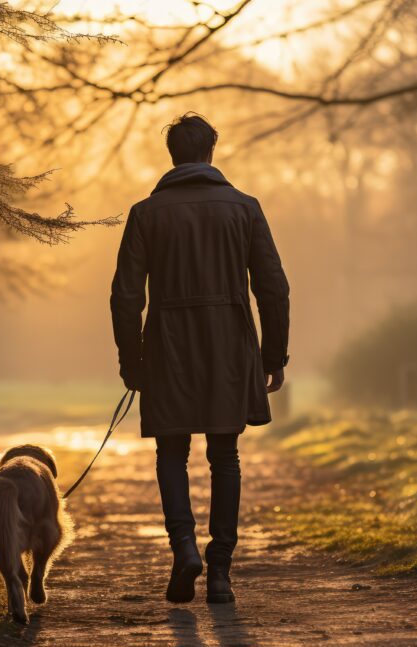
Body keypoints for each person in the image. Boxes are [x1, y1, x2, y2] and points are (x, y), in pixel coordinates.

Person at [110, 112, 290, 604]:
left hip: (167, 345)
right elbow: (273, 288)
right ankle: (220, 572)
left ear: (172, 155)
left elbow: (126, 296)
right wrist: (274, 355)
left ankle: (184, 547)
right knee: (224, 456)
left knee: (171, 452)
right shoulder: (245, 208)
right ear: (211, 151)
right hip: (229, 344)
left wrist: (132, 362)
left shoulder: (146, 213)